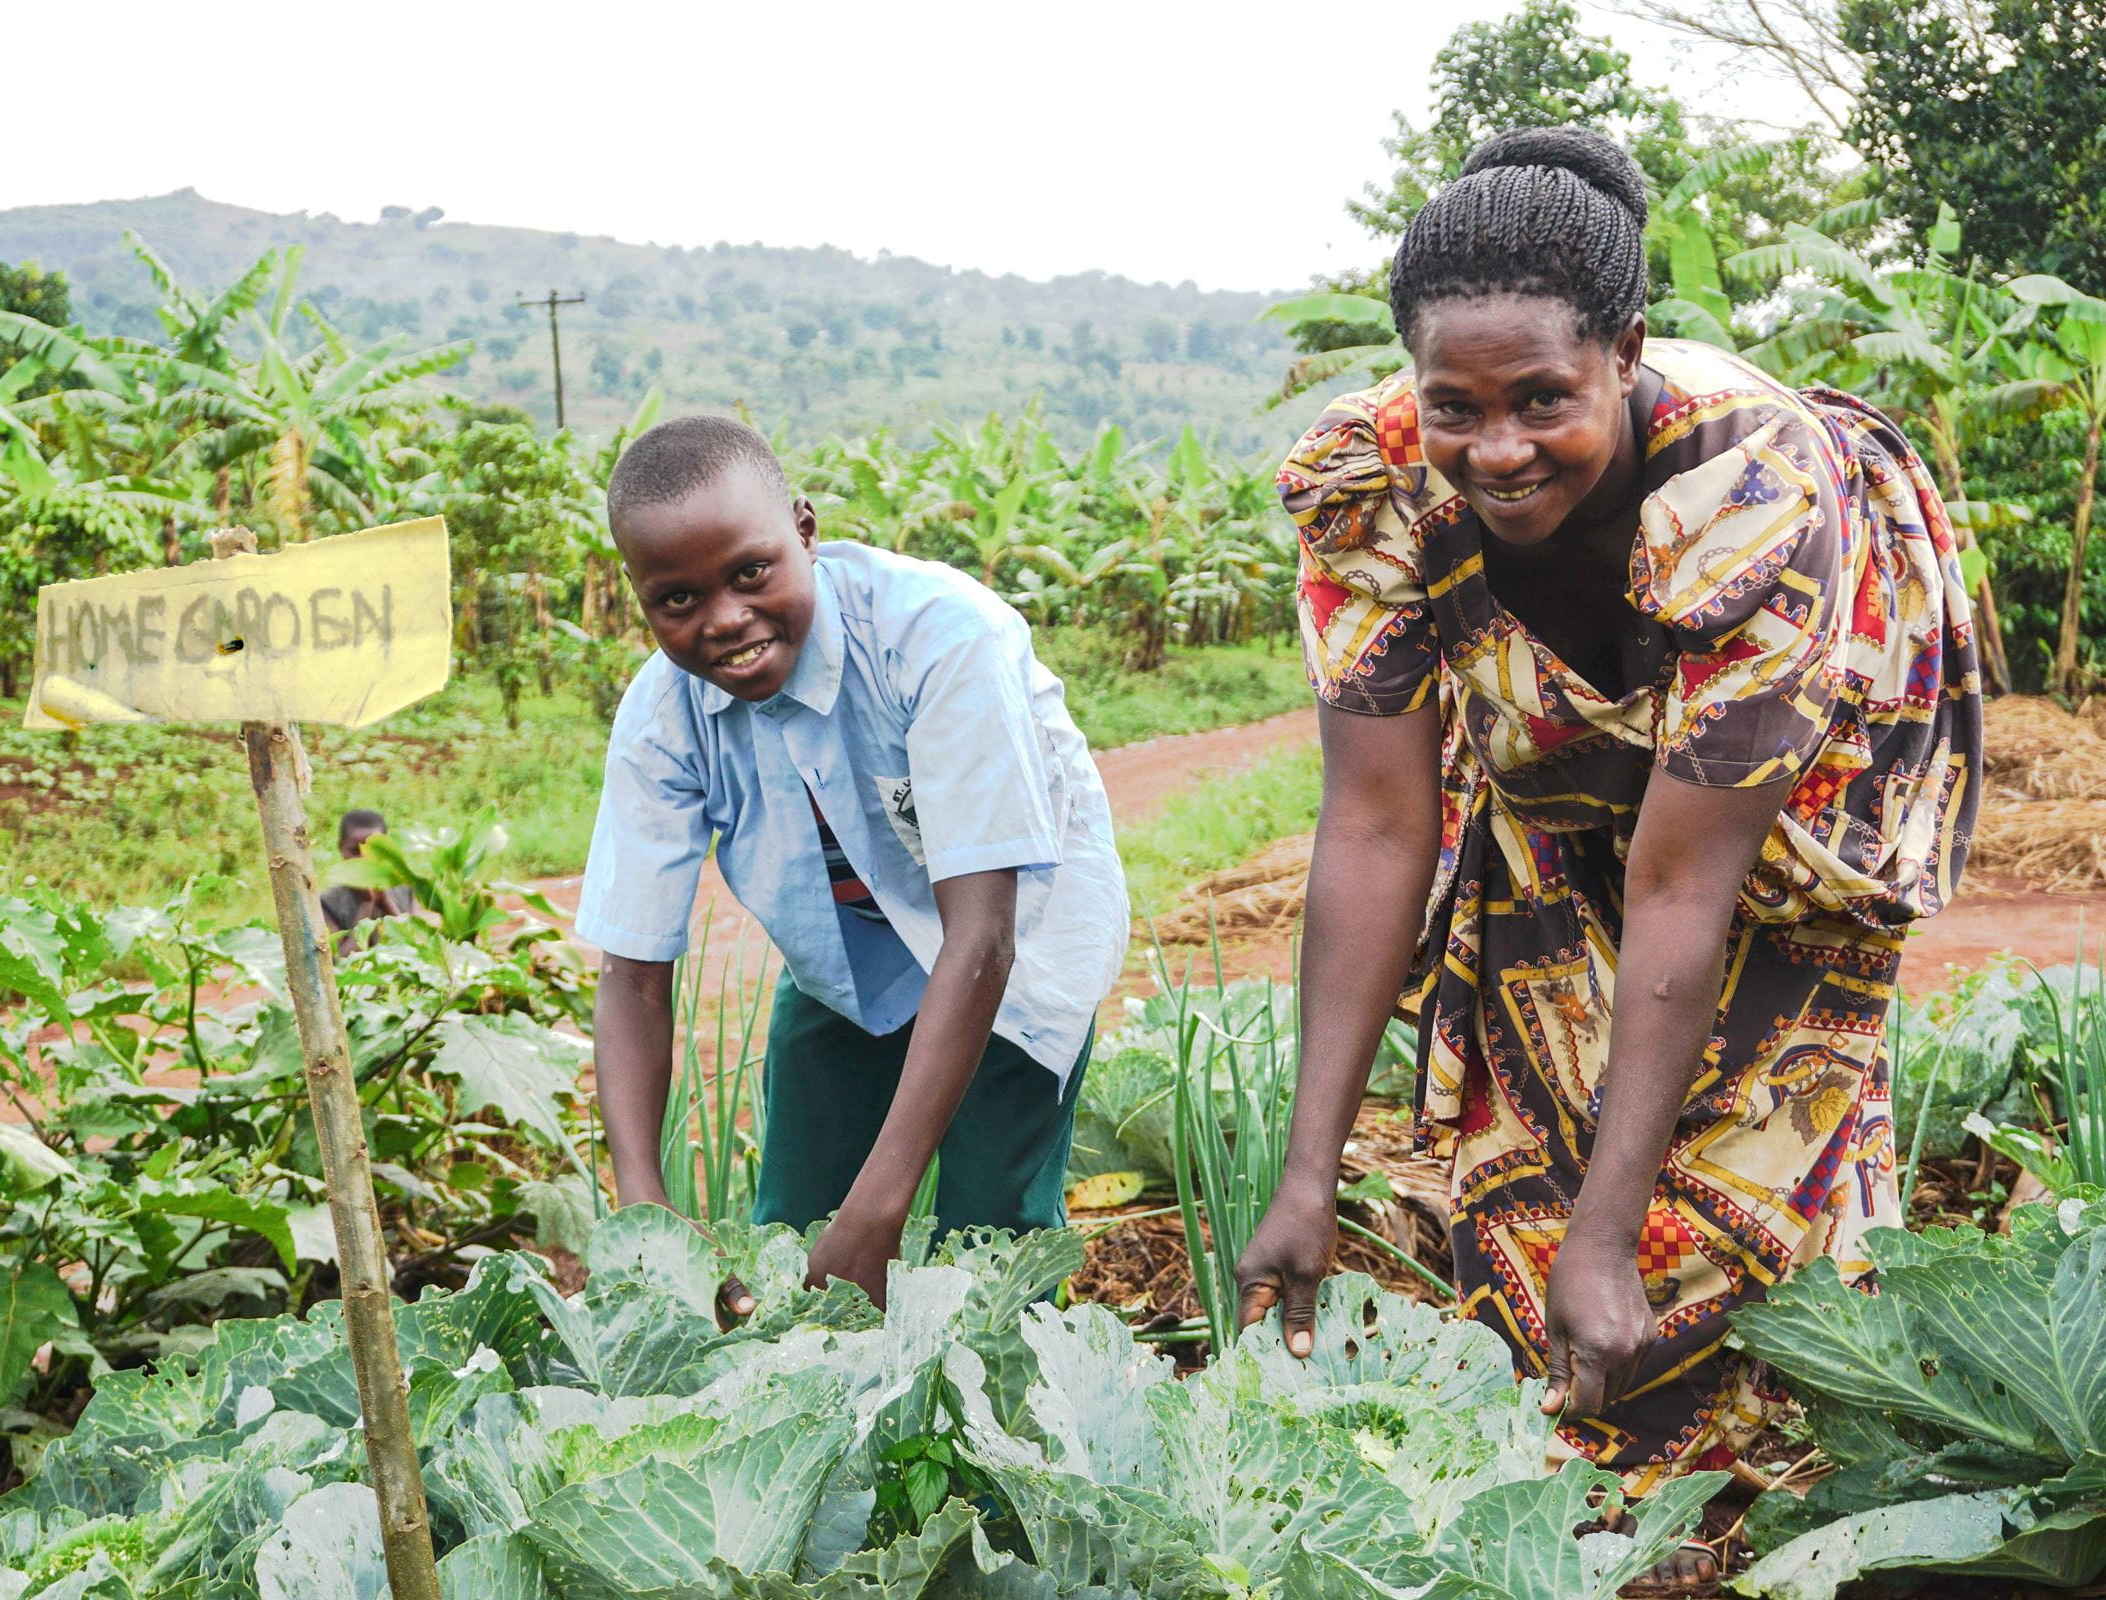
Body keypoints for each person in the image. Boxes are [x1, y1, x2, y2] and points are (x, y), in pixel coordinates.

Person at [1233, 126, 1982, 1529]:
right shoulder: (1372, 484)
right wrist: (1306, 1173)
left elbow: (1692, 888)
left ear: (1626, 351)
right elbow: (1380, 826)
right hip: (1555, 784)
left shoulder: (1747, 485)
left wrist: (1608, 1235)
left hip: (1786, 813)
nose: (1495, 450)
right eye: (1454, 402)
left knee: (1741, 1168)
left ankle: (1772, 1511)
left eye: (1542, 401)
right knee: (1527, 1157)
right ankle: (1565, 1516)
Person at [576, 415, 1126, 1310]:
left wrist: (878, 1210)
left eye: (751, 573)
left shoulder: (944, 638)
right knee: (791, 1235)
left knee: (985, 1254)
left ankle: (999, 1431)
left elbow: (981, 936)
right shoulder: (661, 716)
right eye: (676, 600)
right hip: (842, 966)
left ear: (804, 530)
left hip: (1012, 956)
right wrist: (645, 1207)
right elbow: (632, 974)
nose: (725, 620)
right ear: (640, 599)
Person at [319, 809, 413, 947]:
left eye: (373, 851)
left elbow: (418, 947)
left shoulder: (409, 889)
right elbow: (340, 961)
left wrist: (386, 901)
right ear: (340, 848)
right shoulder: (326, 902)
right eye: (355, 851)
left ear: (387, 849)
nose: (364, 859)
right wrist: (367, 904)